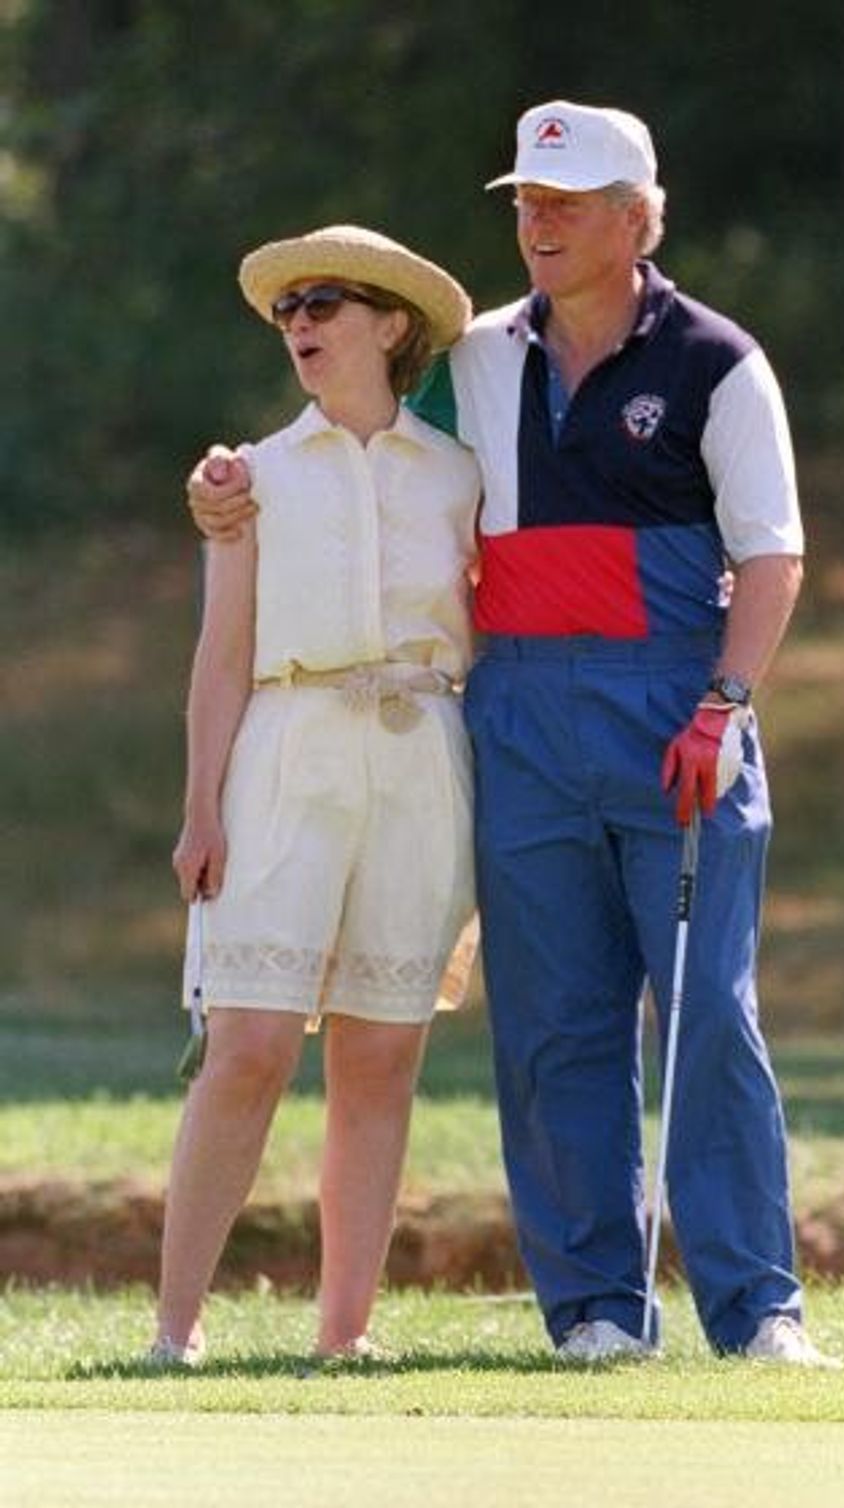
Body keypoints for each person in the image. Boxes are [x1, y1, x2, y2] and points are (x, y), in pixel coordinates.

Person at [186, 101, 837, 1367]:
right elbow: (350, 433)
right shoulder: (473, 355)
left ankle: (756, 1308)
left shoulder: (717, 361)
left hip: (675, 713)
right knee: (552, 1018)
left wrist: (724, 702)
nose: (535, 223)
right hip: (520, 712)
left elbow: (771, 554)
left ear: (636, 220)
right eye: (525, 204)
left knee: (706, 1008)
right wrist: (224, 485)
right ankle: (595, 1304)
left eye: (566, 204)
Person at [151, 225, 480, 1366]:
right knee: (245, 1043)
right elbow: (220, 655)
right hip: (286, 754)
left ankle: (342, 1336)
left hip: (419, 754)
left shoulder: (457, 473)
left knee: (381, 1052)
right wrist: (201, 809)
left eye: (326, 302)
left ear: (391, 326)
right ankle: (173, 1329)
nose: (300, 322)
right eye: (289, 306)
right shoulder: (252, 476)